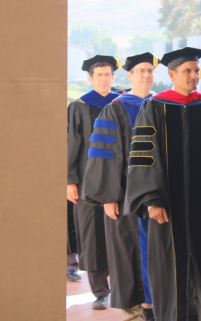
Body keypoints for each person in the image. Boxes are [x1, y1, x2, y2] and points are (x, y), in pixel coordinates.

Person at [125, 47, 201, 321]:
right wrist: (151, 200)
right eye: (187, 70)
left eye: (197, 71)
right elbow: (144, 156)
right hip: (166, 208)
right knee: (169, 271)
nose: (194, 76)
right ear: (171, 74)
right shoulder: (154, 107)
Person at [82, 52, 159, 321]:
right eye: (141, 71)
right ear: (129, 76)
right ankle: (133, 311)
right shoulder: (115, 108)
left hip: (160, 198)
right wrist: (108, 196)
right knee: (127, 252)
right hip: (126, 196)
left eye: (150, 71)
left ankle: (157, 306)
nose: (147, 75)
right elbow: (106, 155)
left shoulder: (163, 105)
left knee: (158, 253)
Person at [67, 55, 120, 309]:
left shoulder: (122, 104)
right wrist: (70, 180)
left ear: (113, 77)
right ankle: (100, 290)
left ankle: (123, 286)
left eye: (108, 74)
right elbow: (71, 145)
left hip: (120, 182)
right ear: (90, 79)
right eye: (99, 75)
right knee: (93, 235)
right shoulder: (79, 106)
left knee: (121, 232)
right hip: (89, 182)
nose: (104, 79)